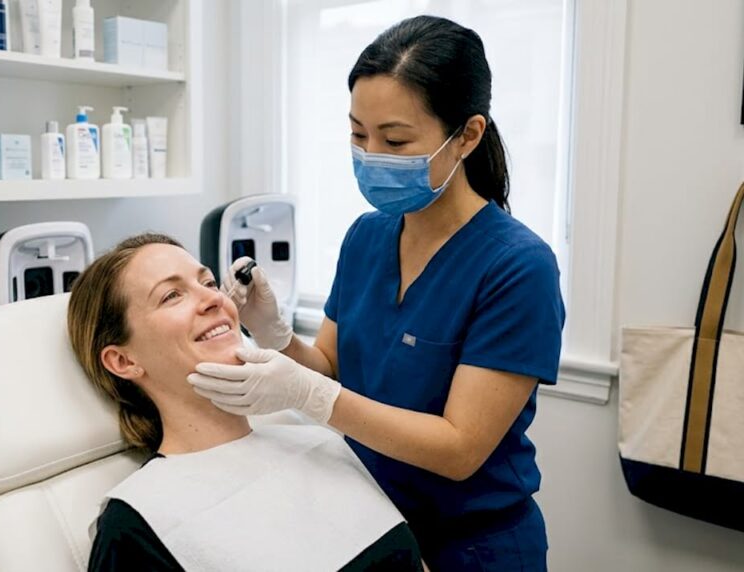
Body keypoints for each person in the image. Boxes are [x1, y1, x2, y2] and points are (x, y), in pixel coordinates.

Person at [188, 16, 565, 572]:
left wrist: (309, 396)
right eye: (357, 134)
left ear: (467, 135)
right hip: (367, 522)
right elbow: (330, 370)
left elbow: (460, 449)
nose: (369, 155)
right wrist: (276, 334)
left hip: (473, 546)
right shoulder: (367, 237)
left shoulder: (517, 267)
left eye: (394, 139)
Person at [67, 233, 425, 572]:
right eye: (171, 296)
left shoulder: (318, 443)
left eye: (207, 283)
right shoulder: (138, 521)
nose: (215, 299)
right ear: (123, 362)